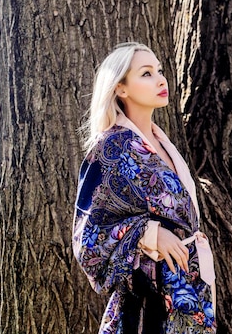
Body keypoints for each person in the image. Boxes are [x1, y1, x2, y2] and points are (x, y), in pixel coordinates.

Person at [72, 42, 216, 334]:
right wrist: (149, 234)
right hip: (146, 300)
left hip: (187, 292)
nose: (161, 80)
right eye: (146, 73)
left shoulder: (162, 143)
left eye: (160, 71)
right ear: (121, 88)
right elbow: (87, 237)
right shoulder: (111, 147)